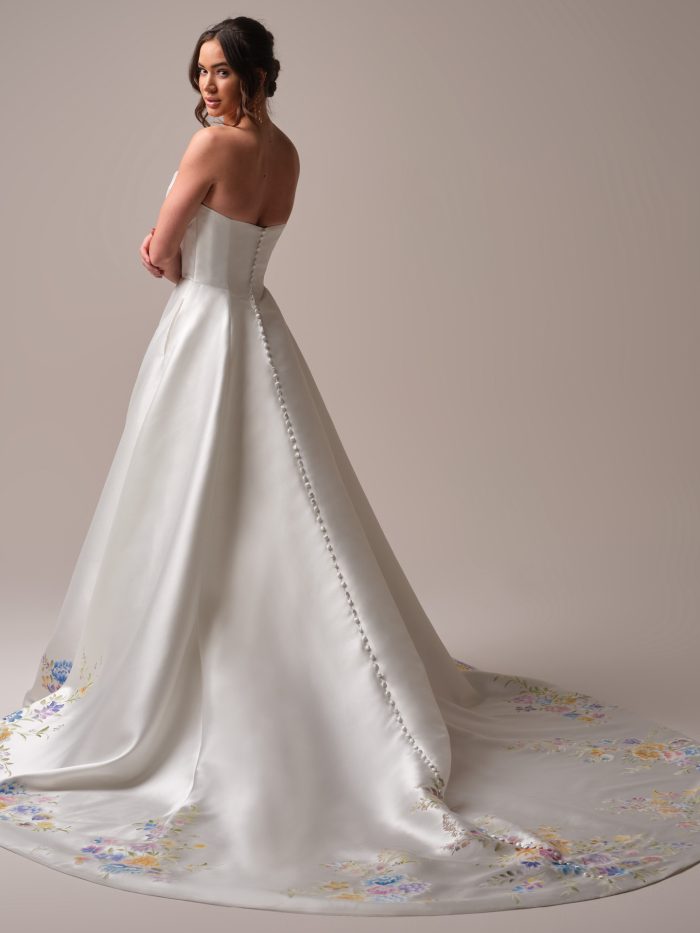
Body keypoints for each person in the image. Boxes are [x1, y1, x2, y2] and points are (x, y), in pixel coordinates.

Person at [1, 15, 699, 917]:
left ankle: (189, 679)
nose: (208, 86)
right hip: (258, 327)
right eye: (202, 72)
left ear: (256, 74)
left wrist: (157, 247)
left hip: (203, 332)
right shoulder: (287, 153)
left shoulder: (211, 146)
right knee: (278, 500)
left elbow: (165, 251)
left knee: (190, 500)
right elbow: (248, 239)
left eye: (222, 71)